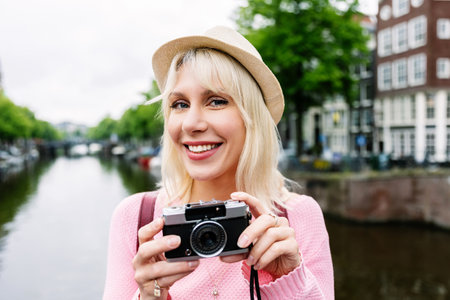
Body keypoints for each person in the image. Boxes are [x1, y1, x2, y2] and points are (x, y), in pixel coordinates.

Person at [103, 26, 334, 300]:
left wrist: (288, 281)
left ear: (252, 118)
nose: (191, 123)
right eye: (179, 104)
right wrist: (149, 297)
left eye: (216, 101)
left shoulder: (296, 217)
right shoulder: (136, 217)